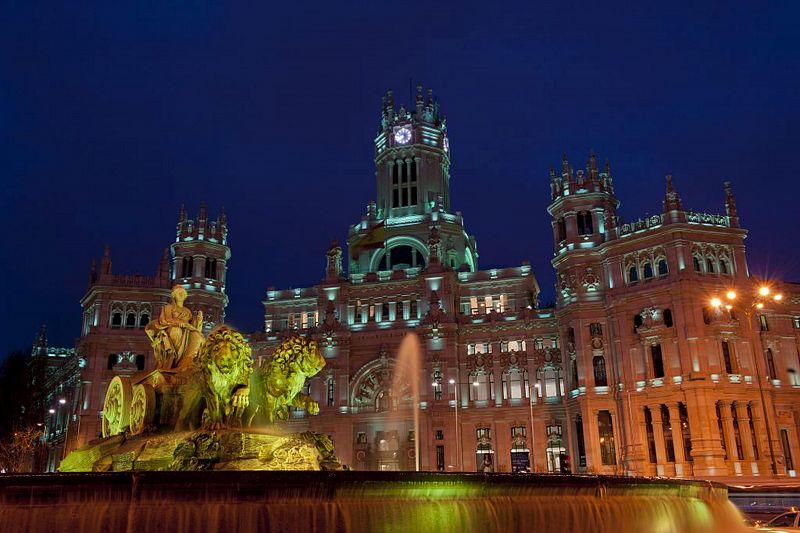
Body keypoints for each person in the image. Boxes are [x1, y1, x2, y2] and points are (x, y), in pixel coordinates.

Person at [145, 284, 204, 369]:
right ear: (174, 295)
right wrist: (181, 323)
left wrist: (198, 320)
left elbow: (194, 327)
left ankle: (186, 362)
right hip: (171, 330)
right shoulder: (168, 307)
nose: (181, 295)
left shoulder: (188, 311)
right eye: (179, 293)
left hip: (186, 332)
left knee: (197, 336)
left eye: (183, 293)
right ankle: (173, 360)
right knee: (177, 331)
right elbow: (167, 319)